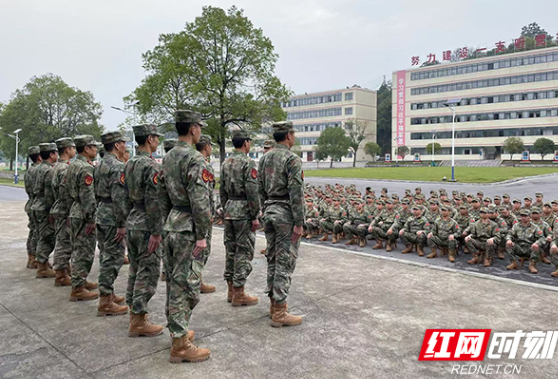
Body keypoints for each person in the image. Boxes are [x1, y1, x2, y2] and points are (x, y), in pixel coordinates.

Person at [159, 110, 211, 363]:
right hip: (189, 227)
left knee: (173, 282)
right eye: (198, 127)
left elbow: (161, 197)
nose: (200, 131)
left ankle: (177, 333)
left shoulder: (167, 157)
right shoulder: (195, 158)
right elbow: (200, 201)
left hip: (172, 224)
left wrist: (164, 226)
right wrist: (202, 235)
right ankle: (180, 344)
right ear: (192, 129)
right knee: (186, 285)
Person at [258, 120, 304, 328]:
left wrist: (264, 210)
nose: (294, 137)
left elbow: (259, 188)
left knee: (273, 259)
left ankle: (273, 304)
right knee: (285, 262)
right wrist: (299, 222)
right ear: (288, 136)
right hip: (285, 213)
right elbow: (296, 193)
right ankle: (279, 311)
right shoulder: (292, 159)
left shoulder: (264, 158)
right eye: (293, 134)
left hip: (269, 211)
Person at [125, 124, 165, 337]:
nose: (157, 142)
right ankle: (138, 320)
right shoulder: (151, 166)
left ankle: (134, 312)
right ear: (149, 139)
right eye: (156, 138)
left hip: (132, 220)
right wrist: (157, 232)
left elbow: (123, 197)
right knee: (148, 271)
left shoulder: (129, 163)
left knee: (135, 269)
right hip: (146, 224)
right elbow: (154, 201)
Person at [220, 130, 260, 305]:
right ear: (245, 143)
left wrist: (225, 207)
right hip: (243, 211)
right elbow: (252, 191)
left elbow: (221, 189)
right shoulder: (249, 163)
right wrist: (255, 215)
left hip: (230, 209)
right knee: (243, 251)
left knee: (231, 250)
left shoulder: (225, 163)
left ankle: (230, 290)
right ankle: (239, 292)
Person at [94, 131, 130, 317]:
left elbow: (95, 191)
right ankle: (105, 300)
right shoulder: (116, 166)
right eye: (123, 142)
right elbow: (119, 197)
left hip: (101, 212)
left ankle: (108, 293)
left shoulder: (99, 164)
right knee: (114, 257)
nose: (125, 145)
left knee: (106, 255)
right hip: (112, 217)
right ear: (116, 145)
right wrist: (121, 223)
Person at [67, 135, 99, 301]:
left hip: (75, 209)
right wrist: (91, 219)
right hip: (83, 213)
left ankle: (81, 280)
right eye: (93, 146)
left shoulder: (73, 165)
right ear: (86, 149)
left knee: (78, 248)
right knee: (84, 251)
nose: (96, 149)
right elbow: (88, 196)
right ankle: (78, 288)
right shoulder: (86, 168)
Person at [50, 138, 76, 286]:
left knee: (63, 240)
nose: (74, 150)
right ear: (67, 149)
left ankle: (65, 271)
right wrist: (68, 211)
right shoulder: (65, 168)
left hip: (58, 207)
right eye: (72, 148)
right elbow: (65, 192)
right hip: (64, 210)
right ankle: (60, 275)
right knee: (64, 243)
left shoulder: (56, 166)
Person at [32, 143, 59, 278]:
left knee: (41, 235)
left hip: (36, 204)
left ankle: (43, 263)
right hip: (44, 207)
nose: (57, 155)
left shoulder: (37, 168)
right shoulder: (49, 170)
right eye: (55, 153)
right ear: (51, 154)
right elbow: (49, 193)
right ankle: (42, 266)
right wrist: (51, 211)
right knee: (47, 237)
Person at [195, 134, 217, 294]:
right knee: (202, 249)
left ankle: (197, 279)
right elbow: (206, 194)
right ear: (206, 146)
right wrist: (209, 214)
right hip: (202, 212)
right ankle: (196, 280)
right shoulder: (203, 165)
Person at [506, 209, 543, 274]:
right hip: (519, 247)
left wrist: (536, 243)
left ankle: (532, 265)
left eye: (525, 216)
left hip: (530, 247)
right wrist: (509, 239)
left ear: (529, 217)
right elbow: (510, 234)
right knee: (508, 244)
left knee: (537, 247)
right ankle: (513, 263)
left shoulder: (535, 227)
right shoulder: (516, 226)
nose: (523, 218)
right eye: (522, 216)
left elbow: (541, 238)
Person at [24, 146, 42, 269]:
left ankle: (31, 257)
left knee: (33, 231)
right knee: (38, 233)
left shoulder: (29, 171)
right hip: (38, 204)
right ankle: (36, 259)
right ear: (40, 157)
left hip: (31, 203)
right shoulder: (38, 170)